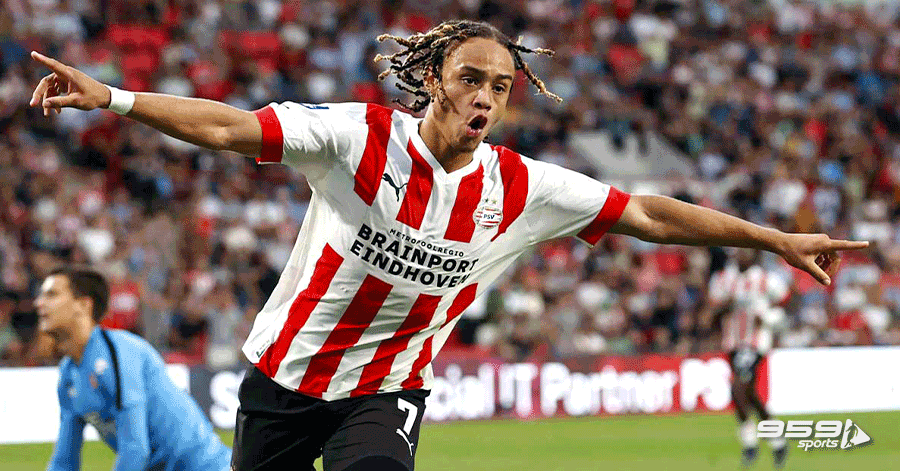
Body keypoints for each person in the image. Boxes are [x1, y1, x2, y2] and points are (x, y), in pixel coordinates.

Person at [29, 19, 867, 471]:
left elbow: (646, 213)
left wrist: (773, 239)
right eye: (471, 78)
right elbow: (228, 127)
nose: (486, 97)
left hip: (387, 388)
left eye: (500, 86)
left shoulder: (522, 187)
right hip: (283, 380)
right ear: (433, 79)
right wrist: (117, 98)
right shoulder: (355, 137)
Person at [36, 267, 232, 471]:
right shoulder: (69, 374)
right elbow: (64, 461)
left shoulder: (118, 353)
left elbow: (135, 449)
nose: (39, 303)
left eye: (51, 295)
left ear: (84, 305)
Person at [707, 248, 790, 468]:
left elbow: (788, 299)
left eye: (746, 251)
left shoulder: (766, 279)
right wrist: (729, 304)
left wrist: (772, 317)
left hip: (755, 341)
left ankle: (750, 444)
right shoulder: (723, 278)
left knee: (738, 388)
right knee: (749, 394)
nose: (742, 255)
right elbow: (712, 309)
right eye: (739, 251)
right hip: (732, 342)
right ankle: (778, 441)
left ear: (754, 254)